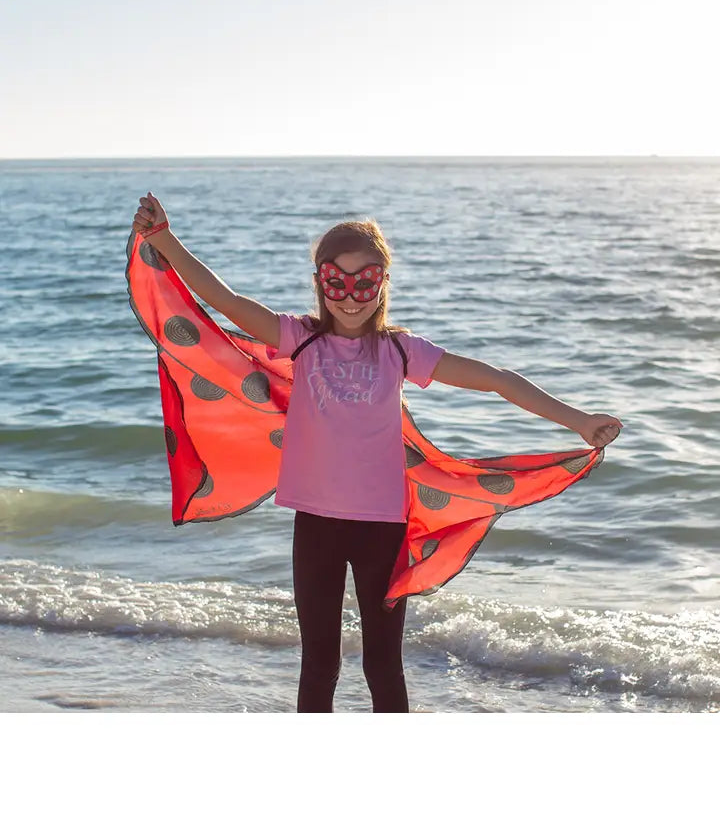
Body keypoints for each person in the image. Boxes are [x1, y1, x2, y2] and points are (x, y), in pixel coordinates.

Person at [132, 191, 623, 714]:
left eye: (364, 281)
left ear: (382, 283)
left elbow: (497, 381)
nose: (350, 296)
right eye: (335, 281)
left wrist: (578, 420)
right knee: (319, 663)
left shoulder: (400, 351)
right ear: (321, 282)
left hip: (383, 527)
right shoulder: (299, 339)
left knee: (381, 664)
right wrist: (164, 239)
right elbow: (224, 300)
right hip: (316, 524)